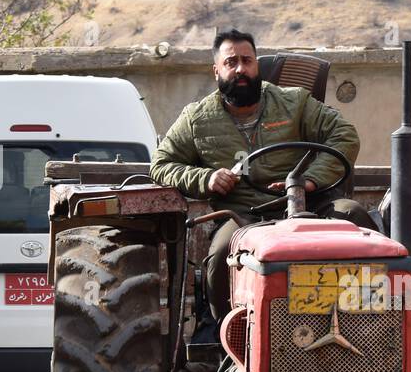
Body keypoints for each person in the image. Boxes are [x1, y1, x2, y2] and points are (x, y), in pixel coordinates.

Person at [150, 28, 374, 322]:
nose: (240, 69)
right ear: (216, 71)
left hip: (309, 206)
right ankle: (227, 337)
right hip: (242, 215)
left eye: (247, 60)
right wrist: (205, 179)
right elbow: (161, 165)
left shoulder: (295, 102)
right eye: (231, 62)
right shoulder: (197, 119)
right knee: (220, 257)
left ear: (257, 64)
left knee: (355, 218)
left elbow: (344, 136)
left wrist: (308, 181)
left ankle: (370, 321)